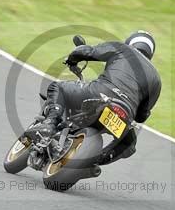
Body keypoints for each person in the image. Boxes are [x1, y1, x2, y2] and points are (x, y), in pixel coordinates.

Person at [25, 30, 162, 161]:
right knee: (129, 143)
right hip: (125, 113)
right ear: (150, 53)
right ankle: (96, 160)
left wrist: (72, 60)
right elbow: (141, 116)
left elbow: (87, 52)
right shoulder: (156, 79)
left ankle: (49, 124)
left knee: (57, 87)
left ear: (130, 42)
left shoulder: (123, 48)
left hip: (101, 93)